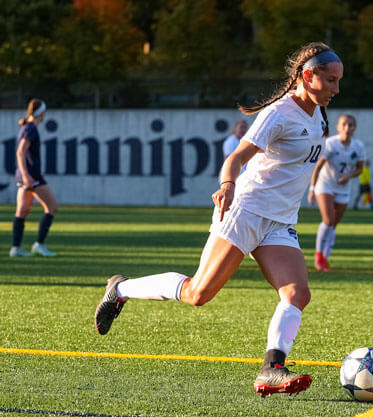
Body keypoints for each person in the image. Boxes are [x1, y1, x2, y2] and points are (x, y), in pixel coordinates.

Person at [94, 42, 343, 397]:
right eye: (331, 81)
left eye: (337, 82)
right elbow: (235, 159)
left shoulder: (318, 112)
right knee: (198, 294)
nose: (336, 89)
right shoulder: (278, 114)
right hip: (245, 210)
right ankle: (120, 289)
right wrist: (226, 186)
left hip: (279, 221)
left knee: (297, 294)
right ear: (308, 76)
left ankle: (272, 369)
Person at [308, 114, 365, 272]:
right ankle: (318, 256)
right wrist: (312, 189)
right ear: (338, 127)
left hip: (343, 189)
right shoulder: (331, 144)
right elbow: (318, 167)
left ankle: (325, 257)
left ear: (355, 128)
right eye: (344, 124)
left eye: (351, 125)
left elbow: (360, 168)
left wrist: (348, 175)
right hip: (325, 185)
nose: (347, 128)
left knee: (333, 224)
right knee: (328, 219)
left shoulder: (358, 146)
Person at [10, 98, 58, 257]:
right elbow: (20, 152)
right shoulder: (31, 128)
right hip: (31, 178)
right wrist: (27, 175)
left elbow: (26, 154)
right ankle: (39, 244)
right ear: (41, 112)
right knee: (51, 208)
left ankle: (16, 248)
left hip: (29, 175)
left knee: (22, 212)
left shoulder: (26, 126)